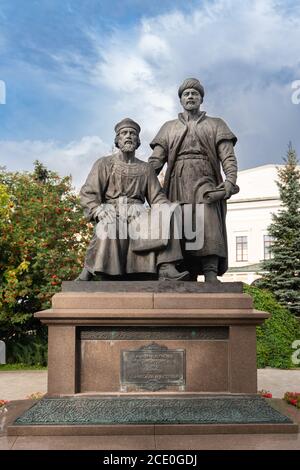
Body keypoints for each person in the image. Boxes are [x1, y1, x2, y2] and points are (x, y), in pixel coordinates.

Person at [76, 118, 189, 281]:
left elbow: (156, 197)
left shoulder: (146, 168)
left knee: (168, 212)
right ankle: (93, 270)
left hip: (138, 214)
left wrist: (168, 208)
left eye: (132, 134)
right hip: (113, 212)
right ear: (117, 140)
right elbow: (88, 193)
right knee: (111, 225)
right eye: (124, 133)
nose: (128, 136)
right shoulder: (104, 164)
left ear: (137, 141)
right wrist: (97, 210)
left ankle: (166, 266)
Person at [148, 78, 238, 282]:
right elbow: (156, 161)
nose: (190, 97)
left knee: (207, 221)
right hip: (177, 182)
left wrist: (230, 182)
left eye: (194, 94)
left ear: (201, 99)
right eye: (186, 94)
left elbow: (228, 157)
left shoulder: (216, 124)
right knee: (178, 222)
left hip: (206, 179)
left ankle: (210, 271)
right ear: (180, 100)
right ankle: (181, 270)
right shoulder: (169, 127)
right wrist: (138, 176)